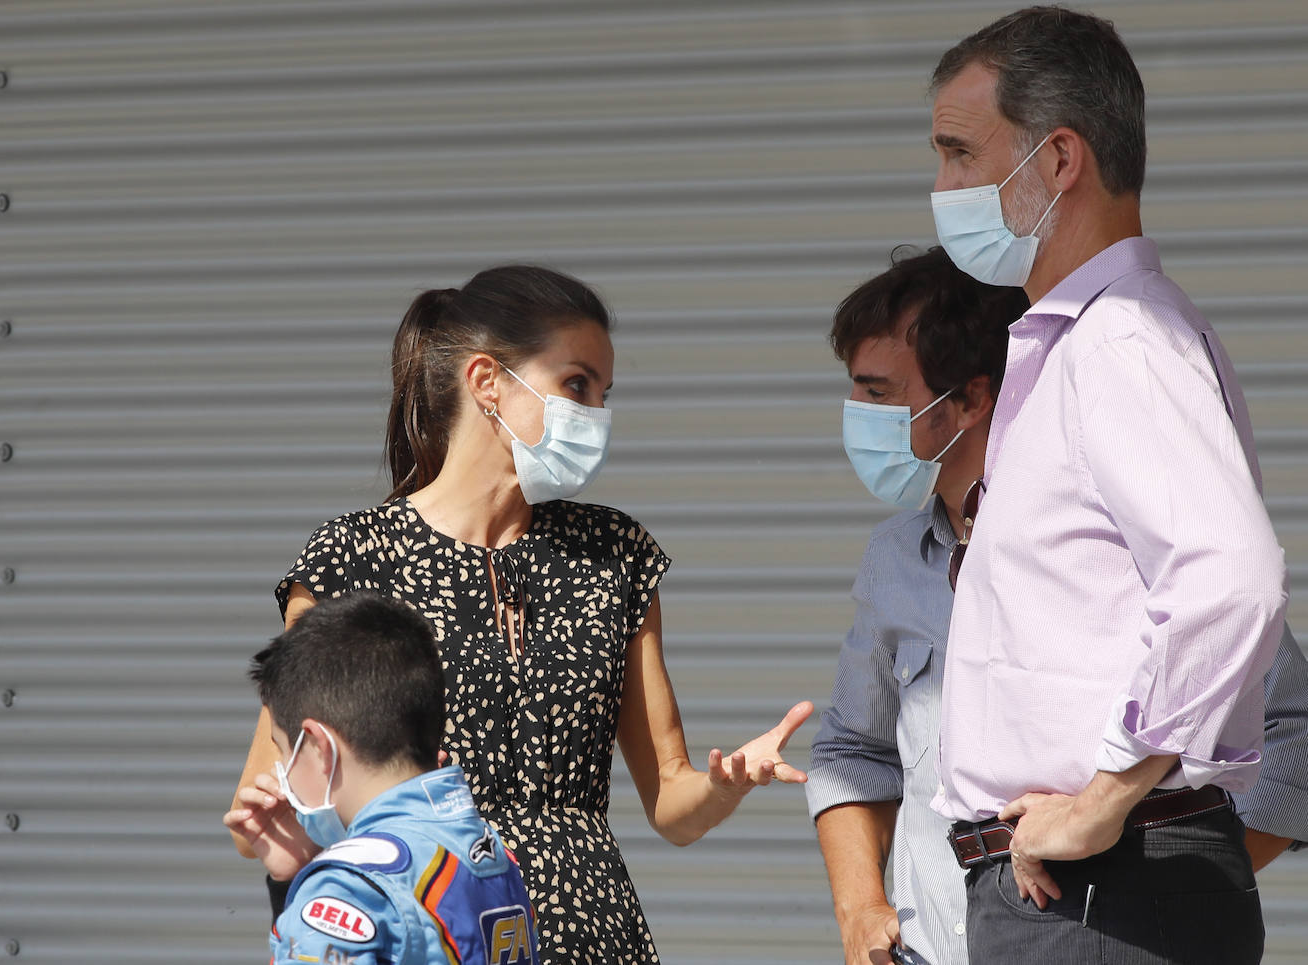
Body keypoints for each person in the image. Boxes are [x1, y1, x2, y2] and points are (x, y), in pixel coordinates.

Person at [227, 264, 813, 965]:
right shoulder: (354, 558)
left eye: (603, 392)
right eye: (576, 385)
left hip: (596, 936)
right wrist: (302, 847)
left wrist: (726, 783)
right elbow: (272, 797)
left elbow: (671, 803)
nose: (595, 413)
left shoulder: (614, 555)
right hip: (435, 927)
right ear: (486, 382)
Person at [806, 246, 1308, 965]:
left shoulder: (1111, 540)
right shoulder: (893, 562)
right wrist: (860, 908)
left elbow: (1291, 720)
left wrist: (1155, 869)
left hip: (1089, 924)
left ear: (974, 398)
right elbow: (854, 749)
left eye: (879, 392)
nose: (857, 415)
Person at [925, 8, 1288, 963]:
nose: (942, 187)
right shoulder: (1090, 341)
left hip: (1108, 891)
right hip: (1086, 895)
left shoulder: (1123, 338)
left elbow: (1231, 574)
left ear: (1057, 160)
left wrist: (1108, 795)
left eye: (959, 154)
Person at [225, 591, 542, 965]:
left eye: (282, 750)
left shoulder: (344, 892)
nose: (281, 772)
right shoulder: (494, 855)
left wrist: (318, 885)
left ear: (319, 746)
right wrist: (292, 879)